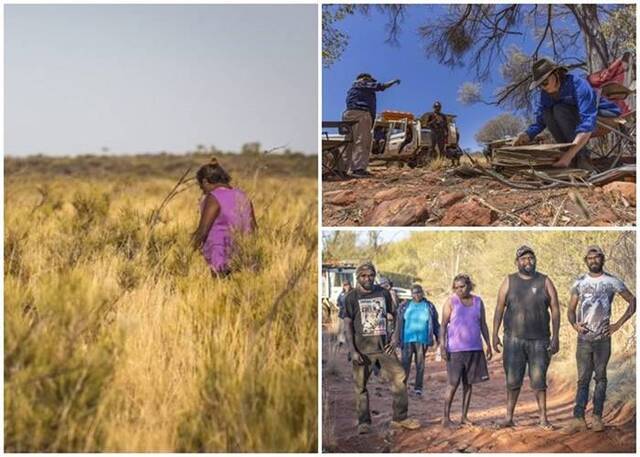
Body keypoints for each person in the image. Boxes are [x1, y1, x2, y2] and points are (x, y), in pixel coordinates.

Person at [565, 246, 636, 433]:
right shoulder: (579, 282)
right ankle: (578, 418)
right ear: (585, 260)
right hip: (583, 339)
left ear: (602, 259)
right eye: (590, 258)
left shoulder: (612, 281)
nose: (593, 261)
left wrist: (617, 325)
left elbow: (633, 301)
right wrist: (574, 325)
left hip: (603, 339)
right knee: (582, 380)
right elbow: (570, 310)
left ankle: (597, 417)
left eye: (597, 258)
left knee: (601, 378)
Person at [343, 262, 420, 434]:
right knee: (360, 386)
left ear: (374, 275)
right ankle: (364, 422)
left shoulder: (383, 293)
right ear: (358, 278)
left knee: (400, 375)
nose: (367, 278)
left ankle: (400, 418)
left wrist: (394, 337)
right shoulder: (351, 297)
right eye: (363, 276)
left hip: (384, 348)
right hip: (362, 350)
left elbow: (396, 315)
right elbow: (347, 325)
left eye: (370, 275)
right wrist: (353, 350)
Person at [492, 245, 560, 430]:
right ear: (517, 262)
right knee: (513, 381)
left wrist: (555, 337)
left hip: (540, 340)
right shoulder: (509, 281)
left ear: (535, 260)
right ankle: (508, 417)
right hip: (513, 340)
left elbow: (555, 308)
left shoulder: (545, 281)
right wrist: (494, 334)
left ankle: (544, 419)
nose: (527, 261)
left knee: (539, 381)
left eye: (531, 258)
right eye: (523, 259)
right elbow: (499, 308)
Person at [512, 58, 621, 170]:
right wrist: (526, 135)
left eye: (545, 82)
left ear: (556, 74)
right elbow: (540, 121)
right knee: (547, 113)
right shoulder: (545, 94)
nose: (543, 87)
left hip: (604, 118)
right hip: (580, 122)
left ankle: (582, 158)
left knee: (560, 110)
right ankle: (568, 157)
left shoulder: (578, 85)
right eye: (540, 85)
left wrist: (570, 154)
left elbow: (588, 121)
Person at [440, 274, 492, 427]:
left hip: (474, 348)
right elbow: (443, 325)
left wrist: (488, 343)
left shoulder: (478, 302)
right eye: (456, 287)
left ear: (469, 285)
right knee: (453, 383)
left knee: (469, 384)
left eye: (462, 286)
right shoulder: (451, 301)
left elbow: (483, 324)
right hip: (455, 350)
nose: (459, 290)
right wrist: (442, 346)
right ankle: (446, 418)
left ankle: (464, 416)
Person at [191, 159, 257, 277]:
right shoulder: (243, 196)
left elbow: (203, 231)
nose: (202, 191)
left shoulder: (213, 197)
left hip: (220, 256)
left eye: (201, 187)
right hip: (244, 256)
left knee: (219, 290)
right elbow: (254, 229)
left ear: (205, 182)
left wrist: (188, 254)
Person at [340, 73, 400, 178]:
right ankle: (358, 169)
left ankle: (341, 169)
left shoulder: (353, 88)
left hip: (348, 114)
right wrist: (393, 81)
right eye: (371, 80)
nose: (372, 82)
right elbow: (381, 86)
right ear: (365, 79)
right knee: (362, 141)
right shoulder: (362, 83)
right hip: (361, 113)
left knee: (348, 142)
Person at [396, 284, 440, 396]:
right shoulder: (405, 306)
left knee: (420, 364)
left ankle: (418, 387)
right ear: (411, 294)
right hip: (407, 338)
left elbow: (435, 323)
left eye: (419, 292)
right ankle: (402, 385)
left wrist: (438, 337)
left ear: (422, 293)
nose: (417, 295)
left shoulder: (429, 306)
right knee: (405, 363)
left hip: (422, 339)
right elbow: (399, 323)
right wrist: (396, 338)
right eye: (414, 293)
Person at [336, 280, 353, 349]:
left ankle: (350, 342)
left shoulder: (352, 293)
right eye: (345, 285)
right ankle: (340, 341)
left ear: (350, 285)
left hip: (350, 314)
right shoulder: (341, 294)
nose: (346, 286)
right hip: (342, 314)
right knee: (341, 328)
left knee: (349, 328)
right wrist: (339, 306)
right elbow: (338, 302)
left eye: (347, 285)